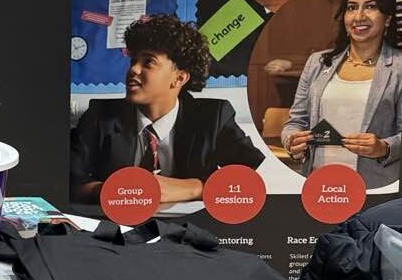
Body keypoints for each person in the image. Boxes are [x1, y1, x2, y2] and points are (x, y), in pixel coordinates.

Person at [69, 13, 266, 206]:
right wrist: (121, 190)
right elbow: (69, 182)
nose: (133, 70)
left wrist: (195, 188)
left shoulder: (213, 116)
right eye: (133, 61)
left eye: (148, 62)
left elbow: (249, 178)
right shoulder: (99, 115)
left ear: (179, 78)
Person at [282, 0, 402, 188]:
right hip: (318, 182)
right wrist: (292, 141)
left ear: (387, 18)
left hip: (373, 186)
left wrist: (384, 147)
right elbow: (295, 122)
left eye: (370, 6)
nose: (359, 16)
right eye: (351, 7)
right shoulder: (317, 62)